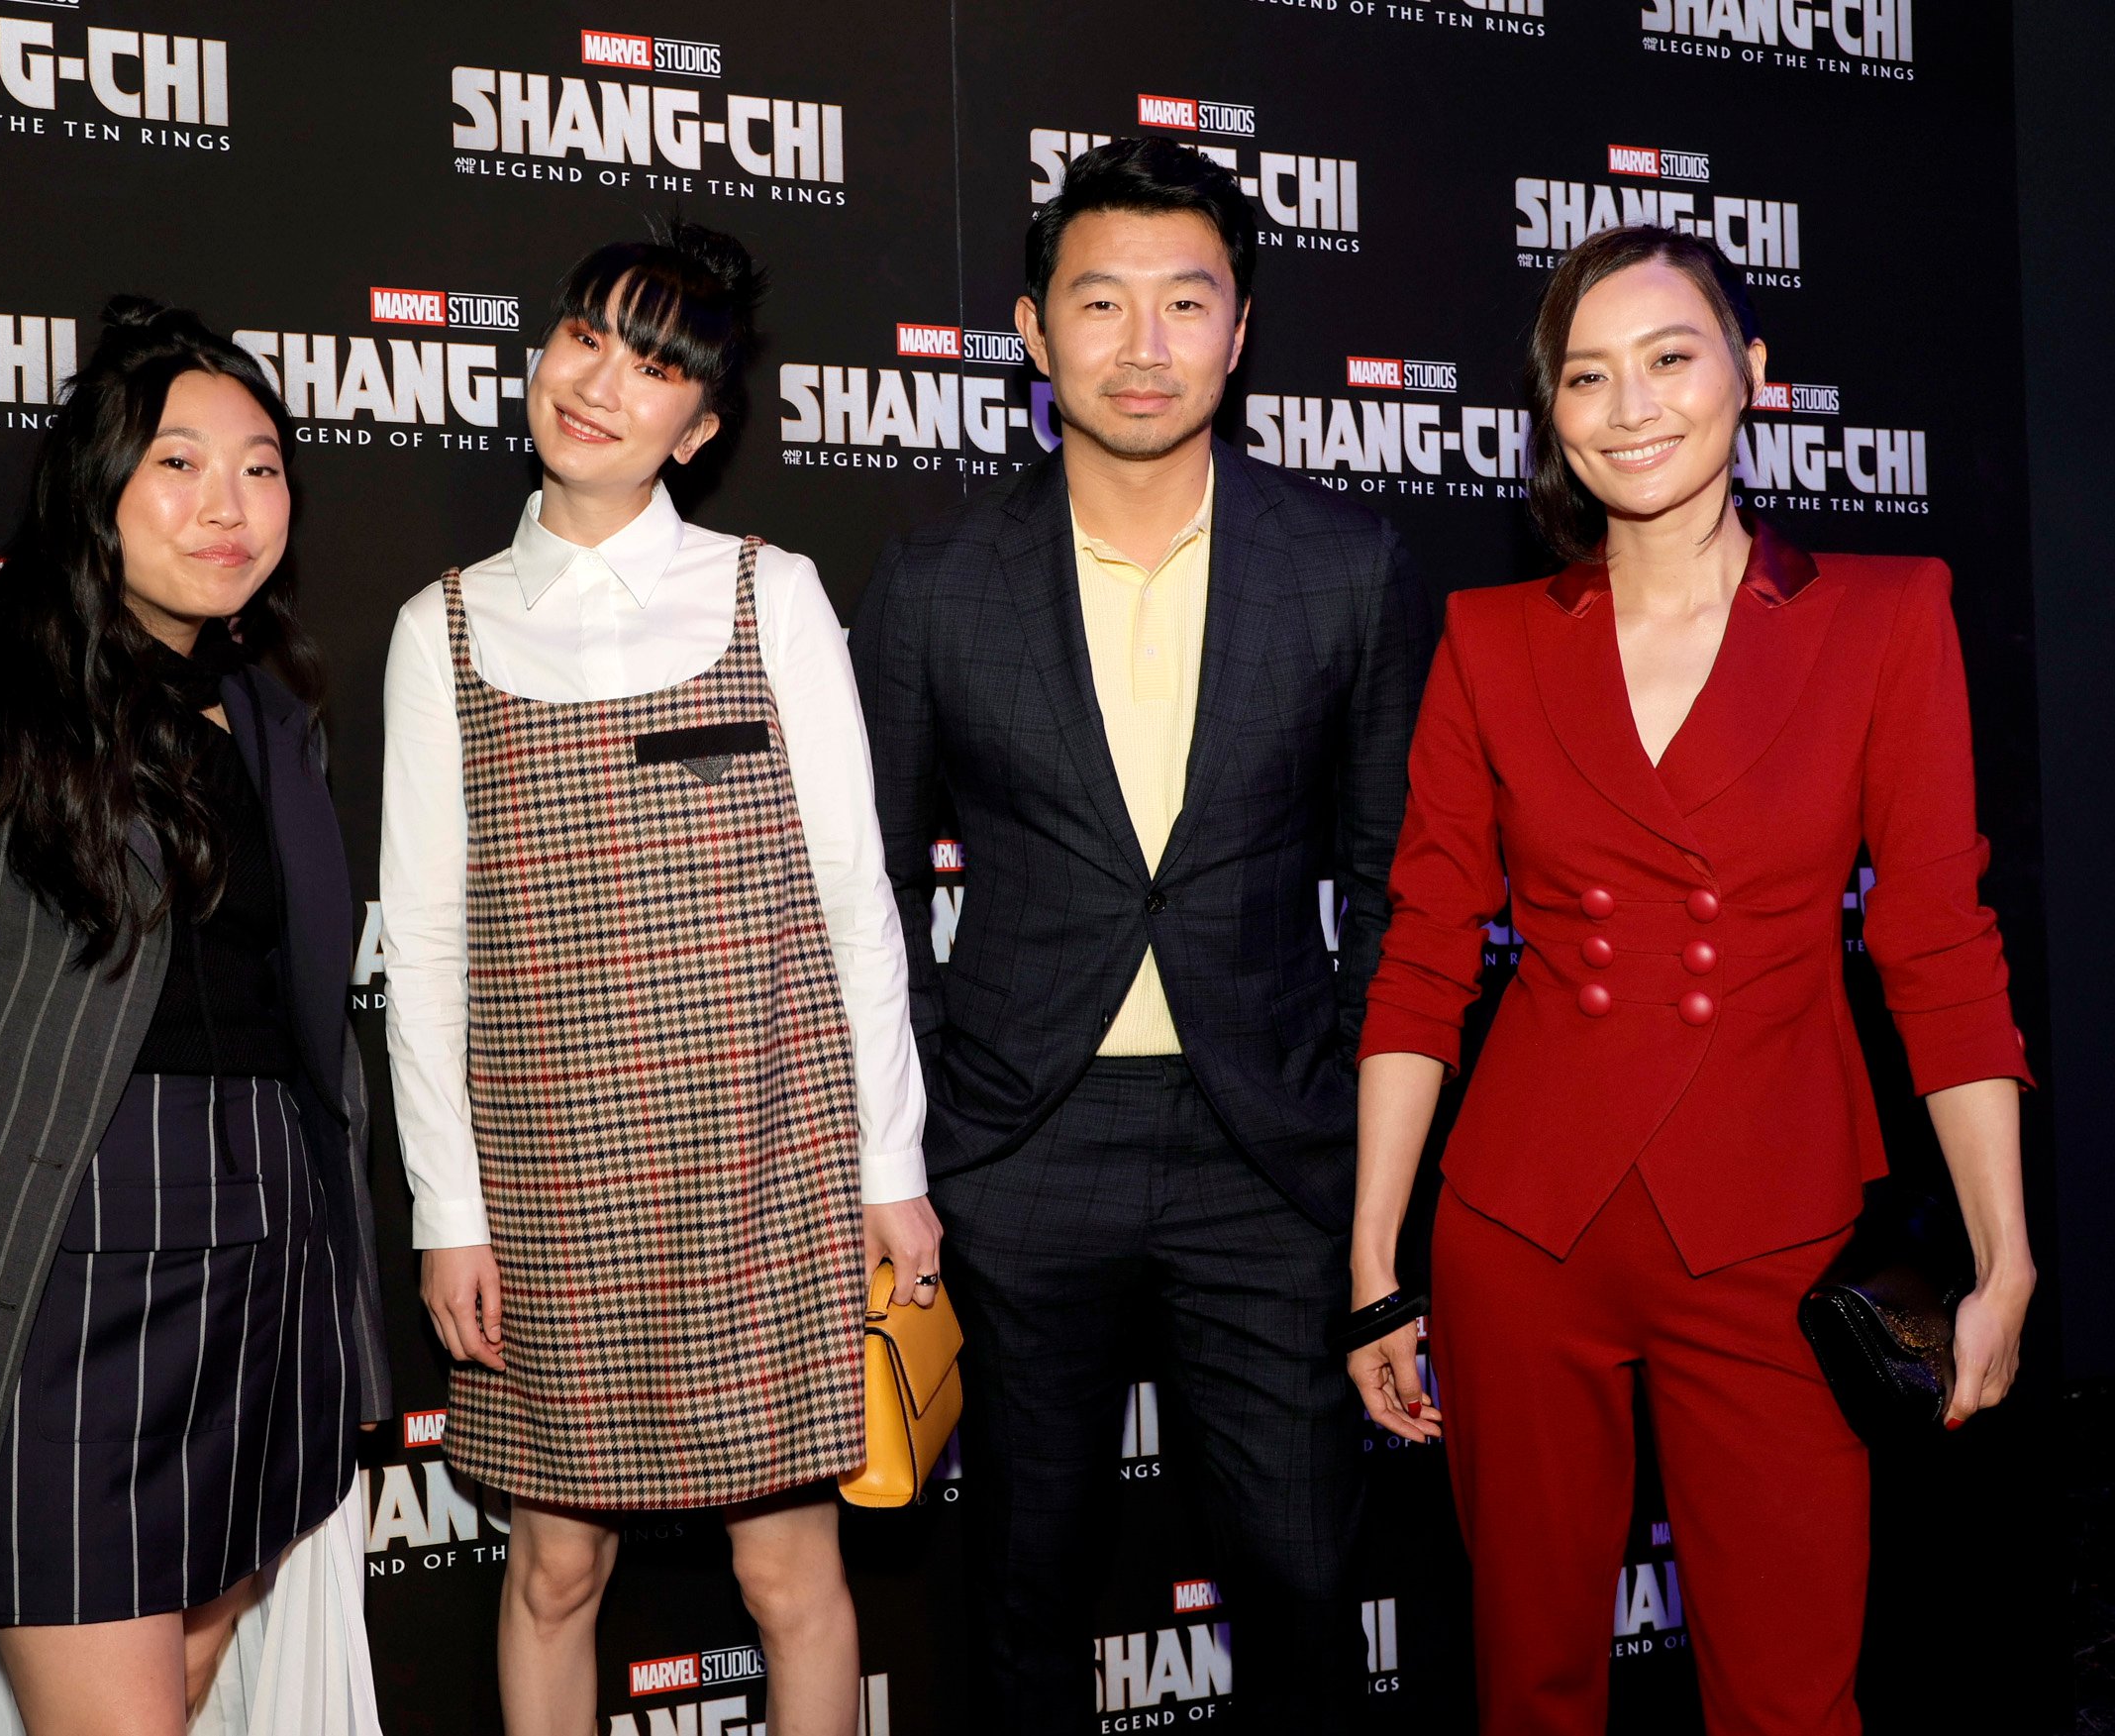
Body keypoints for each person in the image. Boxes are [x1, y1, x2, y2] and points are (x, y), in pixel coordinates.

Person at [1346, 225, 2035, 1735]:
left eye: (1669, 357)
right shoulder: (1486, 641)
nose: (1630, 404)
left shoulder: (1884, 615)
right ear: (1551, 414)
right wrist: (1372, 1255)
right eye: (1584, 375)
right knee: (1529, 1686)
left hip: (1773, 1232)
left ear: (1750, 378)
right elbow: (1422, 953)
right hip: (1520, 1226)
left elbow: (1937, 944)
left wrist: (2004, 1250)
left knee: (1791, 1694)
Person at [850, 138, 1435, 1733]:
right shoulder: (934, 582)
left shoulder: (1348, 569)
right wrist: (911, 1140)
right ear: (1033, 333)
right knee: (1027, 1584)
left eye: (1186, 302)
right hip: (1018, 1148)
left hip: (1270, 1151)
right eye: (1098, 302)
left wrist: (1367, 1163)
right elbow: (869, 884)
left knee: (1308, 1579)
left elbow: (1396, 884)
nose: (1143, 343)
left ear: (1240, 330)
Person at [378, 221, 936, 1736]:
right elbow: (424, 947)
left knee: (789, 1572)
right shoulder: (440, 628)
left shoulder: (771, 593)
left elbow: (851, 899)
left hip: (768, 1158)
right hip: (550, 1177)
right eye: (586, 337)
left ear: (698, 427)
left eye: (655, 365)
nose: (601, 383)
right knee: (554, 1567)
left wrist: (890, 1165)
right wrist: (450, 1210)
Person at [0, 298, 393, 1735]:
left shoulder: (272, 715)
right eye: (179, 465)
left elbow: (309, 1033)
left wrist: (347, 1321)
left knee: (190, 1690)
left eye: (261, 468)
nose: (229, 505)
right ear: (98, 491)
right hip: (70, 1283)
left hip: (273, 1270)